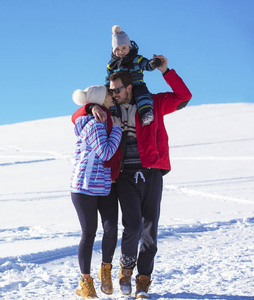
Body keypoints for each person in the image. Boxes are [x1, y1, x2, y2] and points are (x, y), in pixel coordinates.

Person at [73, 55, 192, 299]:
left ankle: (143, 281)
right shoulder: (109, 109)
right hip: (125, 176)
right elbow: (77, 117)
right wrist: (89, 106)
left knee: (150, 230)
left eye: (116, 90)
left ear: (129, 87)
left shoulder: (152, 104)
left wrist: (166, 70)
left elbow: (183, 96)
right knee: (133, 226)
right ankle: (125, 271)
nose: (113, 94)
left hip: (153, 172)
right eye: (110, 91)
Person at [70, 85, 123, 298]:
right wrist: (118, 129)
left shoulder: (102, 118)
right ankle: (86, 282)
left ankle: (105, 270)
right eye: (109, 94)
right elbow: (106, 153)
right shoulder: (94, 124)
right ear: (101, 99)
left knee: (111, 229)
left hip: (103, 185)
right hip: (84, 187)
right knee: (89, 233)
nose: (113, 96)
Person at [106, 25, 161, 126]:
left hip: (136, 84)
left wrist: (153, 63)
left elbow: (146, 65)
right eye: (117, 49)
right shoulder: (112, 64)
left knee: (142, 94)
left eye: (124, 48)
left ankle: (145, 113)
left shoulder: (136, 59)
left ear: (129, 47)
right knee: (112, 99)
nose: (121, 51)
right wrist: (108, 89)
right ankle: (113, 116)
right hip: (119, 89)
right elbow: (108, 78)